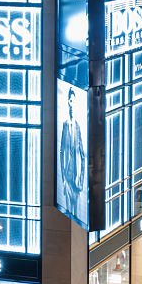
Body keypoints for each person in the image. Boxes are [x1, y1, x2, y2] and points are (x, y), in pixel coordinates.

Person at [60, 87, 86, 221]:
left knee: (76, 215)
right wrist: (63, 178)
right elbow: (61, 152)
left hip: (76, 181)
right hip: (68, 177)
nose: (71, 105)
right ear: (67, 102)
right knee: (68, 215)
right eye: (70, 101)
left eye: (73, 102)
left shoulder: (78, 126)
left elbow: (83, 156)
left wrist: (81, 179)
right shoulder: (65, 125)